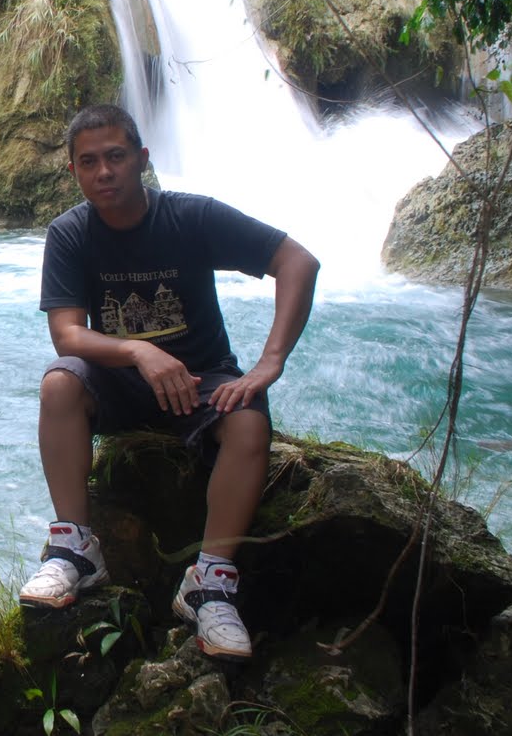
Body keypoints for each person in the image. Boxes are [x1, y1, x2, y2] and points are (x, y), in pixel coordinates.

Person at [17, 104, 319, 661]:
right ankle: (75, 550)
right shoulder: (71, 232)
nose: (104, 172)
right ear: (73, 171)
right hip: (120, 381)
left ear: (142, 159)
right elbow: (67, 335)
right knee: (60, 384)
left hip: (202, 380)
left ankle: (209, 583)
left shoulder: (190, 217)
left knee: (249, 423)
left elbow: (297, 261)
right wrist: (139, 350)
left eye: (116, 156)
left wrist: (270, 363)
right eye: (89, 162)